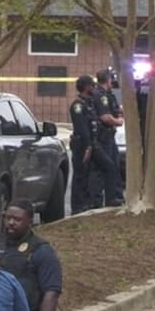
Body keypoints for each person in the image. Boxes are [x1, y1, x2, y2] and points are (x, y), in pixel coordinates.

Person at [91, 70, 125, 207]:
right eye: (111, 79)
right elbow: (105, 117)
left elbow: (115, 109)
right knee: (104, 168)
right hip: (103, 138)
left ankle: (115, 196)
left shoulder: (108, 95)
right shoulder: (100, 95)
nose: (113, 81)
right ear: (107, 79)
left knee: (114, 166)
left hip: (110, 137)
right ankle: (102, 200)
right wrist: (119, 121)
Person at [68, 75, 97, 214]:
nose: (94, 88)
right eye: (92, 85)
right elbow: (82, 128)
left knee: (86, 175)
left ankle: (86, 203)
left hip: (88, 143)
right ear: (86, 87)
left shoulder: (88, 103)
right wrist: (88, 146)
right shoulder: (78, 105)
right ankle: (77, 207)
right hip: (81, 145)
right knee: (80, 175)